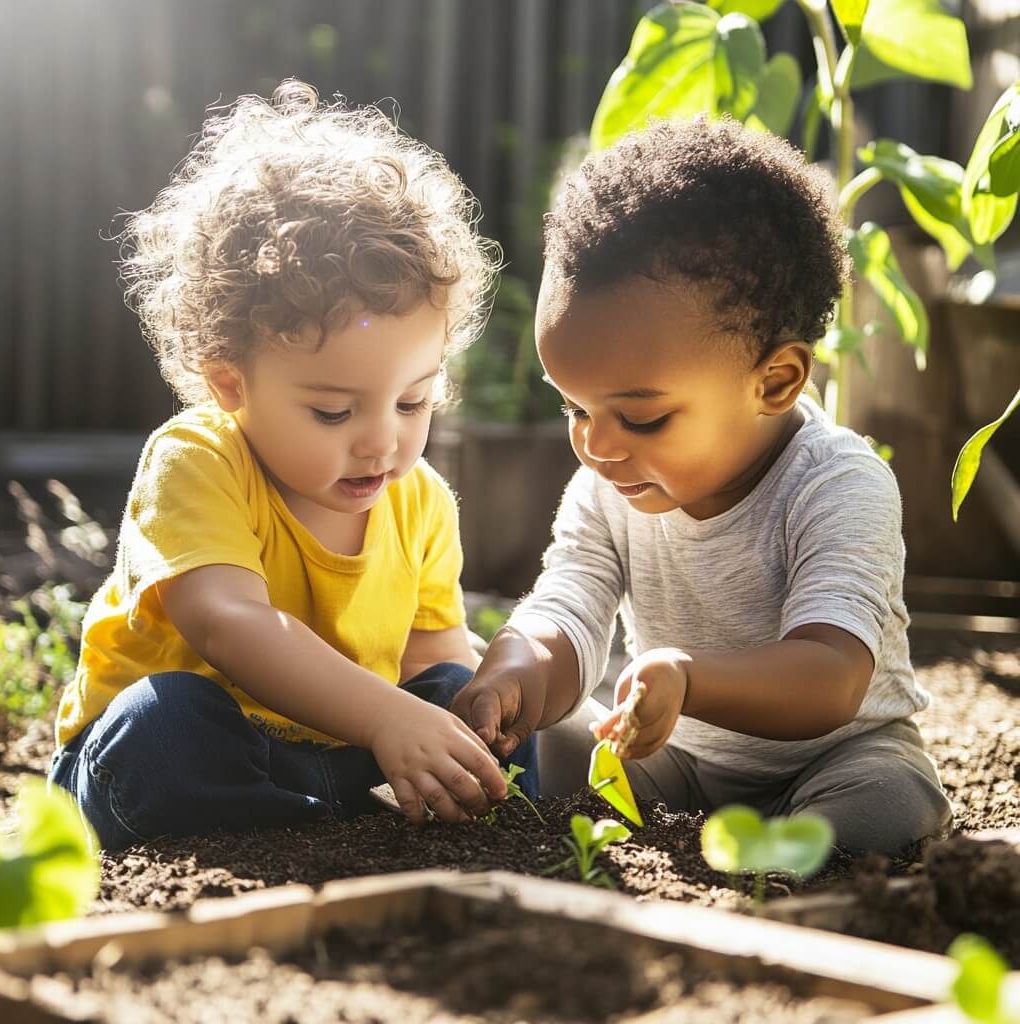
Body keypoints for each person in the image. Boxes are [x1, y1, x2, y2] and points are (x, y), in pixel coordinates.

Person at [50, 80, 535, 852]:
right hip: (174, 759)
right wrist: (383, 717)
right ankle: (320, 830)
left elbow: (430, 660)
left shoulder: (420, 503)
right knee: (165, 723)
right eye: (335, 413)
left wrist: (471, 716)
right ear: (231, 383)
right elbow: (230, 624)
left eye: (413, 403)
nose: (381, 443)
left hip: (324, 764)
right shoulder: (198, 462)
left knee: (463, 702)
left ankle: (360, 827)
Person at [451, 116, 951, 856]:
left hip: (835, 759)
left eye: (642, 417)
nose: (596, 443)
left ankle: (786, 857)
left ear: (775, 381)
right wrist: (519, 665)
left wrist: (689, 679)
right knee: (551, 743)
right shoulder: (612, 484)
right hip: (675, 764)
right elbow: (571, 604)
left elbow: (831, 674)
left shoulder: (839, 483)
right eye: (575, 407)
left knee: (884, 803)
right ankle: (734, 844)